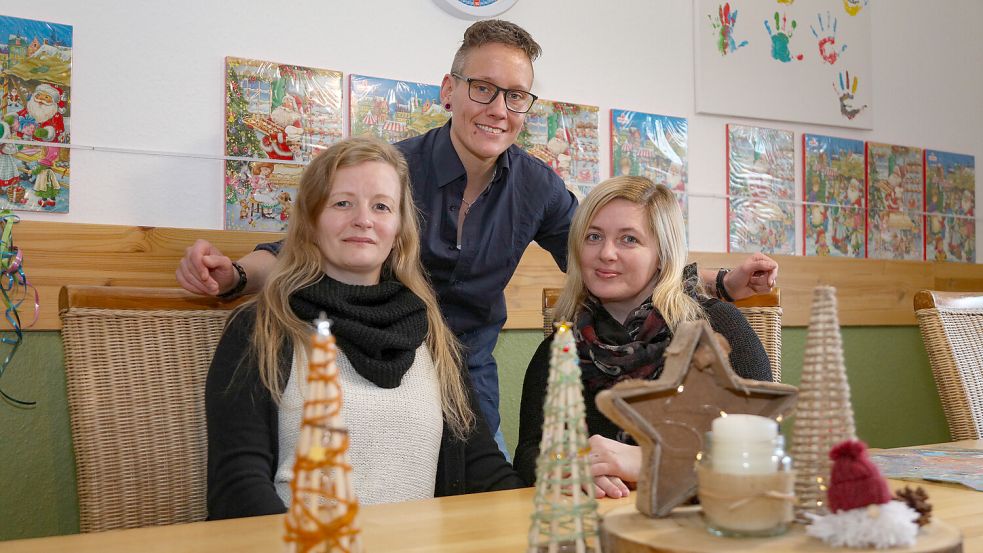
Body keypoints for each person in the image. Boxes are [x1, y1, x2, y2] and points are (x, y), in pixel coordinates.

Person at [180, 20, 778, 458]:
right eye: (483, 88)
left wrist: (721, 283)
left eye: (516, 95)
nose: (499, 108)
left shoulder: (538, 187)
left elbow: (613, 259)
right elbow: (297, 252)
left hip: (470, 392)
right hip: (377, 379)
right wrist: (231, 276)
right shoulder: (392, 172)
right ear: (449, 89)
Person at [206, 137, 522, 520]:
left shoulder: (434, 335)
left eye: (381, 206)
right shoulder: (264, 329)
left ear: (400, 229)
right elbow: (238, 487)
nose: (364, 219)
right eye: (343, 203)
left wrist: (547, 508)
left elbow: (484, 468)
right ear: (310, 220)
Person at [513, 176, 772, 499]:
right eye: (593, 236)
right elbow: (529, 452)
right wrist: (564, 469)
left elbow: (761, 450)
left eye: (629, 240)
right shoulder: (559, 347)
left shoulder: (718, 326)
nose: (606, 253)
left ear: (662, 254)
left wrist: (652, 460)